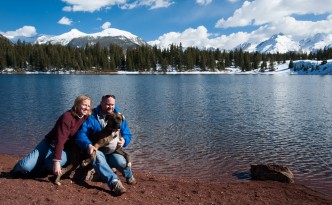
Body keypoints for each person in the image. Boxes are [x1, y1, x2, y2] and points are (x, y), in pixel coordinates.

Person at [11, 95, 92, 178]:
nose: (86, 108)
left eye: (88, 106)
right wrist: (57, 161)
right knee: (25, 167)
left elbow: (98, 114)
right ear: (77, 104)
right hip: (49, 144)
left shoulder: (87, 117)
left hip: (65, 149)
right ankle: (17, 168)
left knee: (46, 166)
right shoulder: (67, 117)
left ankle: (39, 170)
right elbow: (60, 140)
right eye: (84, 105)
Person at [76, 94, 135, 196]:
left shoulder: (119, 116)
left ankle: (129, 176)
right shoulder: (92, 116)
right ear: (101, 103)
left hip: (113, 151)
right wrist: (88, 145)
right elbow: (81, 134)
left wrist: (124, 140)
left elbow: (127, 133)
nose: (110, 107)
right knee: (97, 157)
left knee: (121, 161)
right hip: (98, 149)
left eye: (112, 104)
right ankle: (115, 183)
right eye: (107, 104)